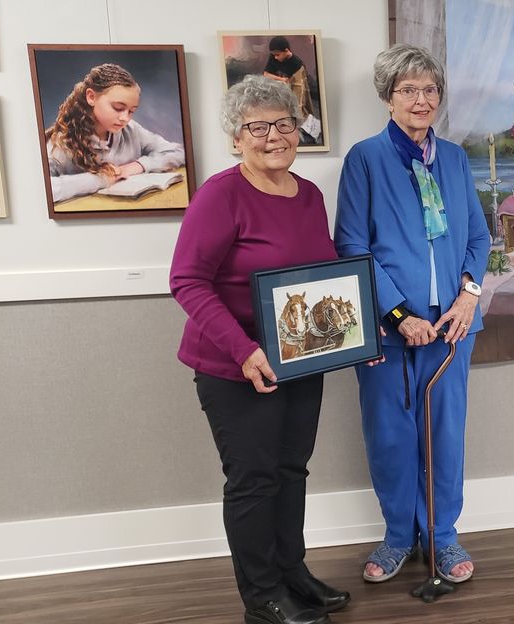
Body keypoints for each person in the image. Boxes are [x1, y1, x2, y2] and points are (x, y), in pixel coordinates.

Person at [170, 76, 351, 624]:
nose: (274, 135)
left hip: (301, 358)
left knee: (292, 470)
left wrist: (352, 335)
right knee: (255, 480)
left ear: (299, 131)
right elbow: (187, 281)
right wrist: (245, 351)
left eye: (285, 123)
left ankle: (292, 573)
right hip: (235, 365)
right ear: (236, 137)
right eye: (258, 127)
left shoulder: (310, 195)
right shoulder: (221, 195)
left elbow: (323, 277)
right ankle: (263, 596)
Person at [335, 43, 490, 585]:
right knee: (391, 434)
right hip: (389, 327)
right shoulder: (365, 159)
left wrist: (469, 295)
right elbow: (353, 247)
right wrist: (398, 314)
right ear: (387, 97)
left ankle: (443, 536)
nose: (421, 99)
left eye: (430, 89)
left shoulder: (454, 157)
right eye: (408, 90)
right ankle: (400, 535)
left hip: (451, 324)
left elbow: (476, 234)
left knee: (445, 432)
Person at [45, 63, 185, 202]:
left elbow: (177, 152)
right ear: (91, 97)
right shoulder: (59, 145)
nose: (125, 118)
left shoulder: (130, 130)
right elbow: (43, 189)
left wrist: (136, 166)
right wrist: (102, 179)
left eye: (131, 111)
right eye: (118, 108)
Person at [264, 36, 319, 145]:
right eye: (274, 54)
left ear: (286, 51)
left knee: (299, 107)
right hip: (283, 85)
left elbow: (299, 92)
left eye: (277, 55)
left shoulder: (297, 64)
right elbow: (266, 74)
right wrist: (281, 79)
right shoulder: (274, 57)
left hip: (297, 87)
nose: (275, 57)